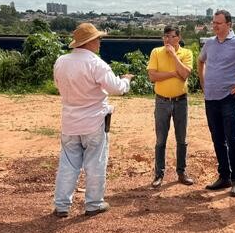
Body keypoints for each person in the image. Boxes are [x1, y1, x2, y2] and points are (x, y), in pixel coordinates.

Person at [53, 22, 133, 217]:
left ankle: (62, 205)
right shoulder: (96, 63)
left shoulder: (61, 61)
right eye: (97, 38)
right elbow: (117, 88)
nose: (99, 41)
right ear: (89, 41)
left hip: (70, 121)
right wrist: (126, 80)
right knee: (95, 163)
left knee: (68, 164)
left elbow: (58, 84)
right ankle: (93, 203)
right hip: (94, 121)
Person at [198, 10, 235, 197]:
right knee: (217, 138)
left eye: (219, 23)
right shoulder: (209, 43)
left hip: (229, 98)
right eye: (213, 23)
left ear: (229, 24)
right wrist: (203, 83)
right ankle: (224, 176)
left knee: (232, 139)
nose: (215, 26)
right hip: (210, 98)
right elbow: (200, 61)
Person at [147, 25, 194, 188]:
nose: (167, 39)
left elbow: (185, 74)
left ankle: (181, 172)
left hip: (181, 101)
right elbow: (153, 76)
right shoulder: (156, 52)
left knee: (181, 139)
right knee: (161, 140)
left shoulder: (186, 53)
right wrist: (173, 73)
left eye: (171, 36)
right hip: (161, 101)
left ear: (178, 38)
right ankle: (159, 174)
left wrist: (174, 55)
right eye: (165, 36)